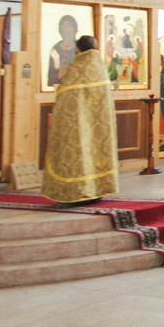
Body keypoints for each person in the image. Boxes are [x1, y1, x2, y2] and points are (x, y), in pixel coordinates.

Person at [41, 36, 119, 207]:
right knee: (95, 153)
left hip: (78, 124)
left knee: (79, 154)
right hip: (99, 126)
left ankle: (78, 191)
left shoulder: (77, 69)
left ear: (78, 49)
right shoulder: (100, 68)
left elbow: (65, 96)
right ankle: (97, 190)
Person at [47, 14, 79, 87]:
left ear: (75, 29)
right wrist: (59, 75)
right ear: (60, 30)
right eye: (64, 26)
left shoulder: (80, 48)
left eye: (70, 26)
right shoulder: (55, 51)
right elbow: (51, 76)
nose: (67, 29)